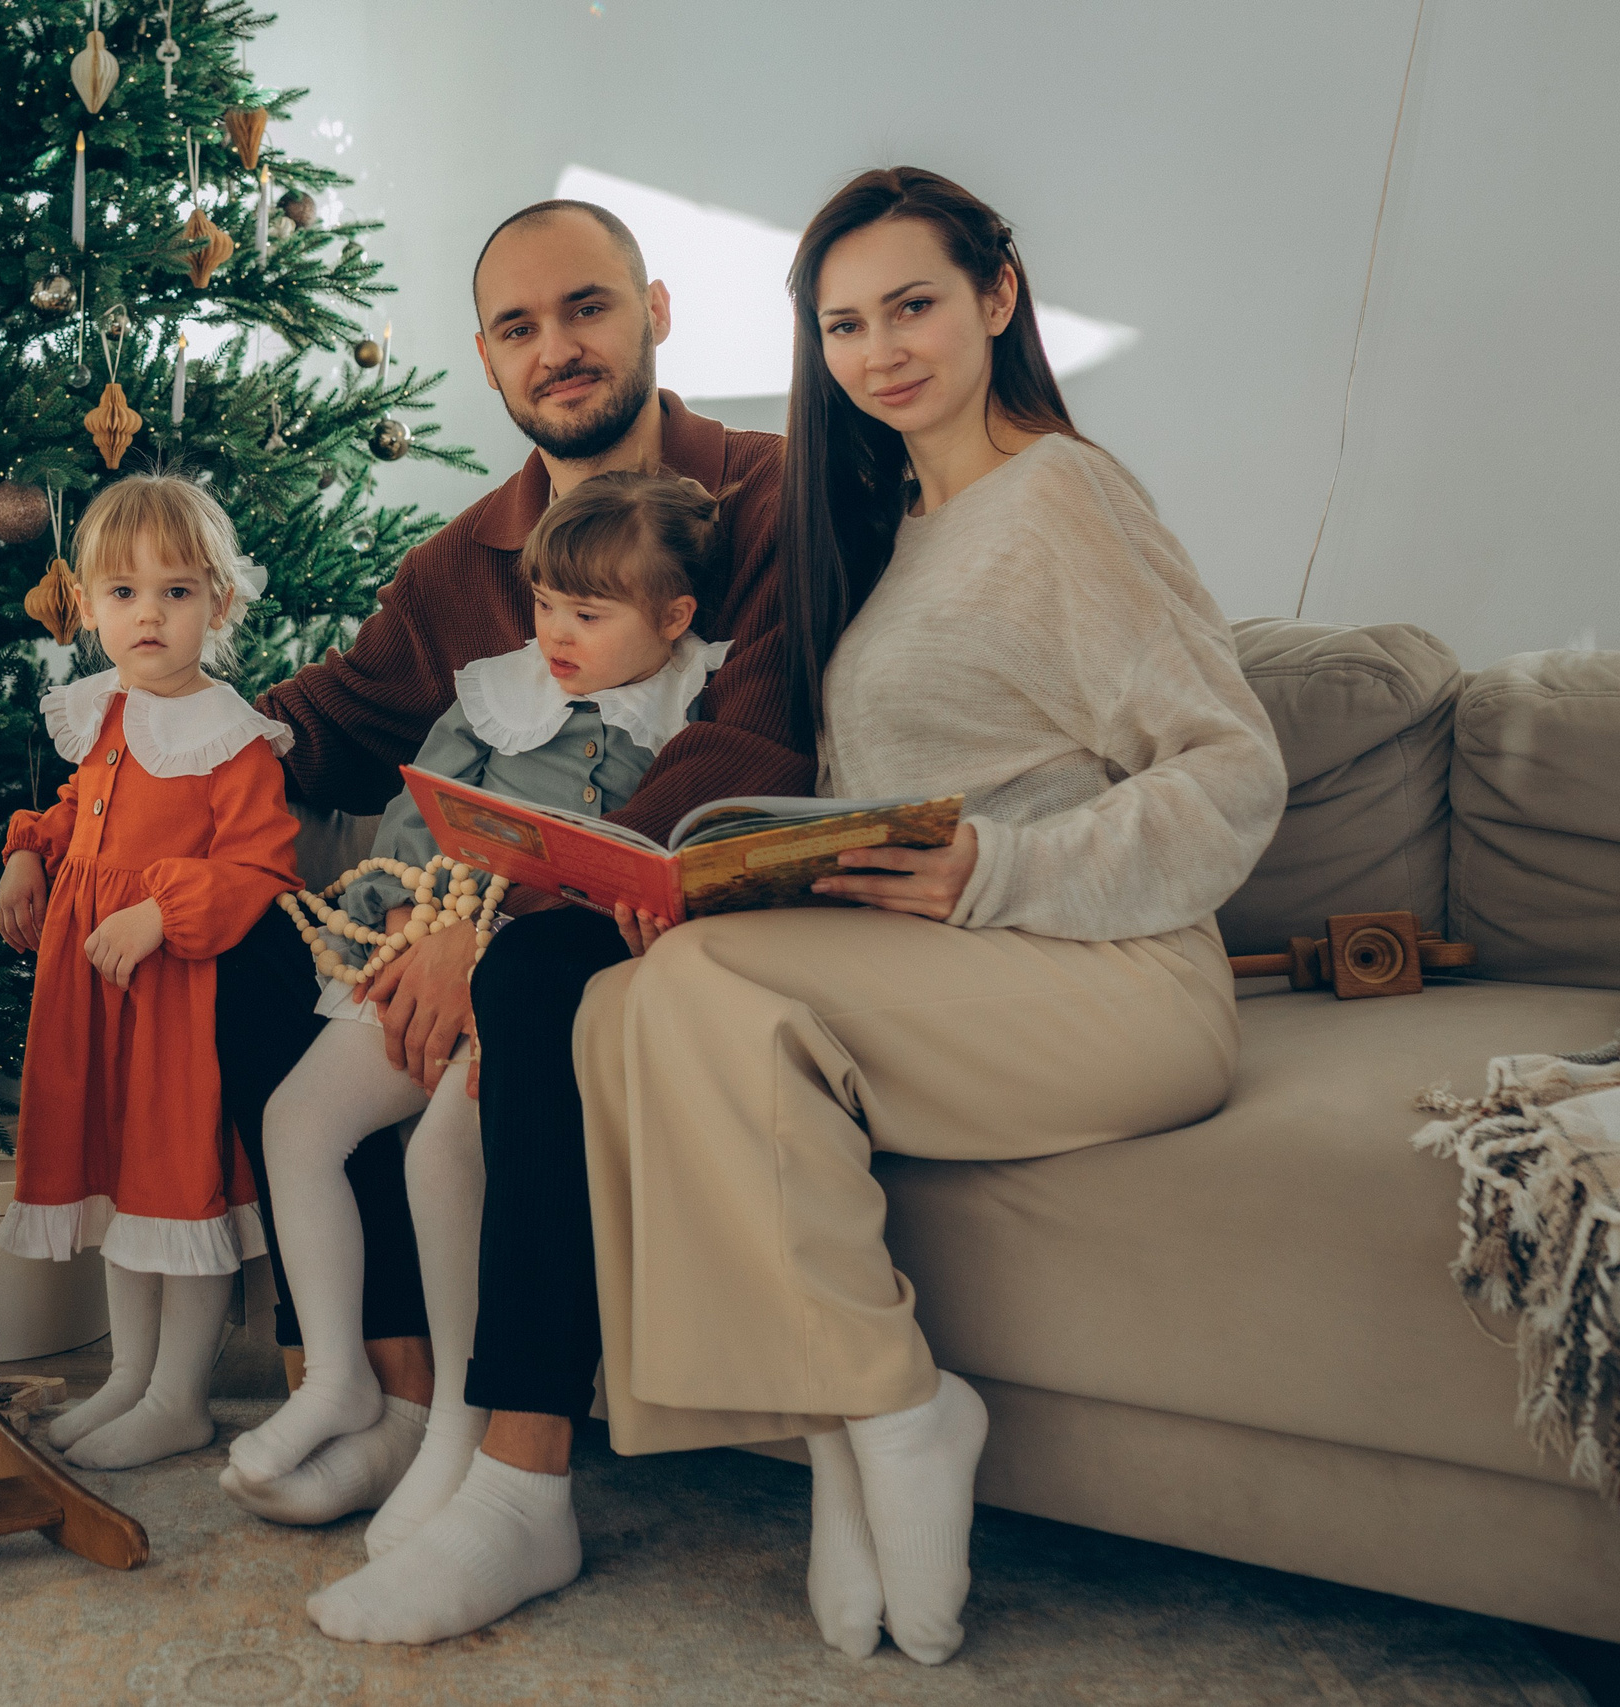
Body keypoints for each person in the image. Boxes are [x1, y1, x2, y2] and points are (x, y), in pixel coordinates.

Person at [315, 166, 1287, 1655]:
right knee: (636, 994)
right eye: (844, 323)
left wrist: (997, 870)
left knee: (657, 994)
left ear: (999, 300)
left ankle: (880, 1409)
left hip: (1107, 972)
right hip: (942, 964)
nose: (881, 348)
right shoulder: (884, 524)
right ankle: (844, 1421)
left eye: (914, 306)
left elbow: (1233, 772)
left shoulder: (1065, 495)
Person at [216, 199, 813, 1535]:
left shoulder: (769, 494)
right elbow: (328, 722)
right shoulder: (460, 571)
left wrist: (487, 914)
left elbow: (747, 735)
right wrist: (140, 783)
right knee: (264, 936)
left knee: (509, 988)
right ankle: (384, 1387)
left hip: (635, 913)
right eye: (519, 326)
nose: (559, 347)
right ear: (486, 358)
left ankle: (498, 1453)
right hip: (465, 907)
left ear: (655, 312)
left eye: (588, 308)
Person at [226, 473, 735, 1557]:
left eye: (588, 616)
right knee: (297, 1124)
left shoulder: (703, 706)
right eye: (545, 603)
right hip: (436, 931)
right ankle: (337, 1376)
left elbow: (693, 840)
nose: (555, 633)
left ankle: (463, 1424)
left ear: (674, 617)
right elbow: (419, 812)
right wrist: (415, 902)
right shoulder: (497, 692)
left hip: (547, 975)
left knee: (440, 1159)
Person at [0, 473, 302, 1472]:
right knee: (121, 1195)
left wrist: (165, 909)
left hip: (173, 1003)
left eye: (175, 592)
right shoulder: (105, 715)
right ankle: (130, 1376)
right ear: (85, 606)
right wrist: (26, 852)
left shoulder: (232, 741)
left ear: (218, 605)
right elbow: (79, 810)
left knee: (173, 1187)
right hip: (93, 1000)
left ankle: (180, 1396)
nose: (148, 615)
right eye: (122, 593)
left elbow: (261, 868)